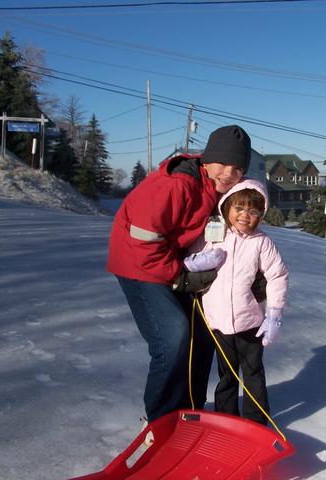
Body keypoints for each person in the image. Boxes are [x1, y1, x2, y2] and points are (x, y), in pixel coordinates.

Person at [107, 125, 251, 423]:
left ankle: (189, 411)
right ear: (207, 159)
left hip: (172, 263)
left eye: (237, 168)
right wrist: (178, 277)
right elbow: (142, 240)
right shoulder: (177, 185)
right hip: (139, 264)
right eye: (223, 163)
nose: (228, 172)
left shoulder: (216, 189)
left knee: (203, 331)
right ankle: (161, 420)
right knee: (173, 336)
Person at [190, 178, 288, 425]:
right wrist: (198, 262)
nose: (246, 216)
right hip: (218, 322)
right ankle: (226, 418)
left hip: (250, 322)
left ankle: (256, 421)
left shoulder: (262, 242)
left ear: (261, 216)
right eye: (240, 208)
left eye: (254, 211)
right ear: (228, 207)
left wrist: (274, 314)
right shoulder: (214, 234)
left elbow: (277, 275)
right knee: (227, 374)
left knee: (253, 373)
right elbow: (190, 257)